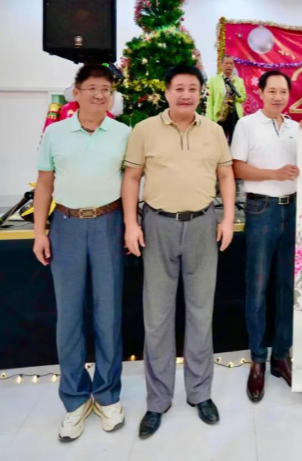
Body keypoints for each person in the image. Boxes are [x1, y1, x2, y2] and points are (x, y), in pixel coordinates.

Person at [122, 64, 236, 438]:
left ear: (201, 93)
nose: (186, 94)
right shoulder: (144, 130)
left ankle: (200, 394)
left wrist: (227, 218)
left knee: (201, 313)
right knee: (157, 317)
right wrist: (131, 224)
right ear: (167, 92)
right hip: (158, 225)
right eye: (179, 88)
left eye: (192, 88)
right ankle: (157, 401)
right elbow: (132, 177)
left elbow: (225, 175)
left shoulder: (214, 131)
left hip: (203, 223)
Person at [32, 64, 131, 441]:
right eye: (92, 88)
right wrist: (40, 232)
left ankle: (107, 395)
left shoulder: (123, 133)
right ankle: (74, 399)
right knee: (69, 316)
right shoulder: (55, 133)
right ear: (76, 92)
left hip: (109, 224)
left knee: (108, 314)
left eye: (106, 89)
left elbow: (131, 182)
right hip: (66, 226)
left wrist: (130, 224)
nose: (100, 95)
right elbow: (44, 184)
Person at [231, 70, 302, 403]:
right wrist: (274, 174)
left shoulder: (297, 128)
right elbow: (237, 168)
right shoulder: (247, 125)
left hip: (293, 210)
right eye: (272, 91)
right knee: (257, 286)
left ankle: (282, 355)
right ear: (261, 92)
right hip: (261, 209)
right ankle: (258, 359)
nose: (278, 97)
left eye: (283, 92)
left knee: (288, 287)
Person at [206, 54, 247, 143]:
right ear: (221, 65)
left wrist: (234, 94)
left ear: (234, 65)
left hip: (235, 115)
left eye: (231, 63)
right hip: (220, 115)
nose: (229, 66)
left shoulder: (239, 81)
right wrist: (209, 119)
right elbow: (210, 101)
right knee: (219, 143)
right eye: (226, 63)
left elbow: (243, 97)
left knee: (235, 142)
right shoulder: (213, 80)